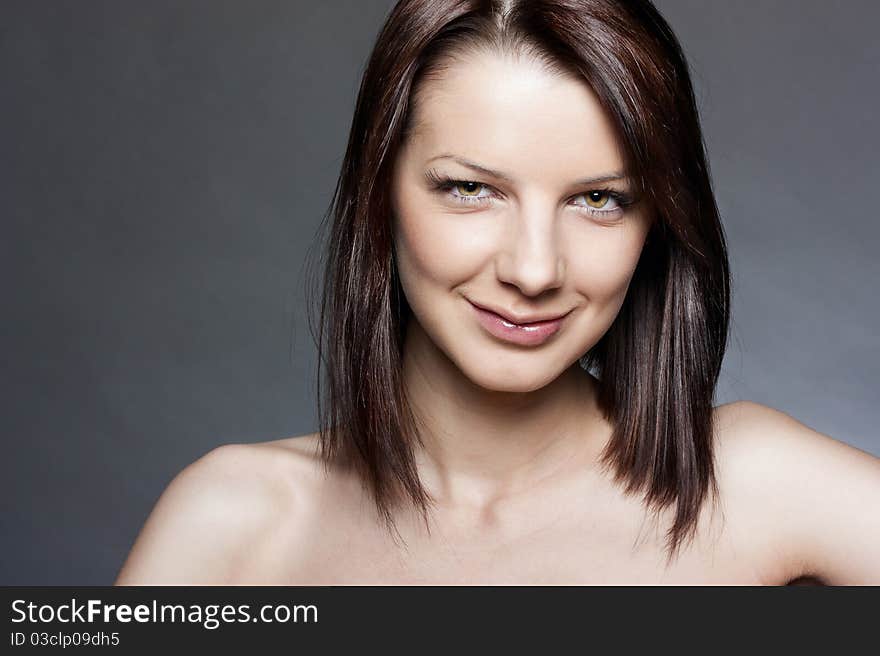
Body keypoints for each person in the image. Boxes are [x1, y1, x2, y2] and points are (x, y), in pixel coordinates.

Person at [115, 0, 880, 585]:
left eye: (599, 200)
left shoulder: (756, 484)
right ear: (379, 193)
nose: (535, 269)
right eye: (471, 188)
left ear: (660, 222)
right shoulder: (236, 525)